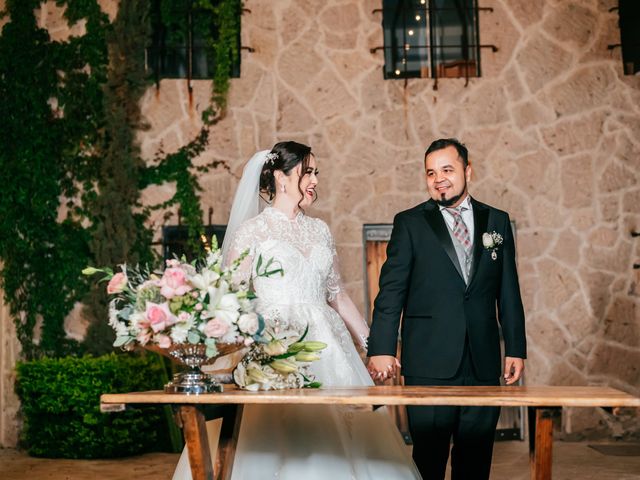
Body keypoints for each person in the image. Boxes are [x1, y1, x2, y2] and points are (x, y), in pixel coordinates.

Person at [173, 141, 421, 479]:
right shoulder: (253, 232)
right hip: (276, 349)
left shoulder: (320, 229)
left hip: (330, 348)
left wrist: (373, 345)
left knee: (346, 439)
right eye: (308, 172)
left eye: (316, 172)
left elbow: (338, 295)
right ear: (281, 177)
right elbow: (230, 298)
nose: (315, 180)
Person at [367, 138, 527, 480]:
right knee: (429, 458)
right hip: (429, 361)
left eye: (447, 169)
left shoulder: (496, 222)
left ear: (468, 171)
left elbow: (508, 288)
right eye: (430, 172)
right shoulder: (410, 223)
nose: (438, 178)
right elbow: (391, 291)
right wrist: (380, 348)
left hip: (483, 362)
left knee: (476, 458)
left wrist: (515, 347)